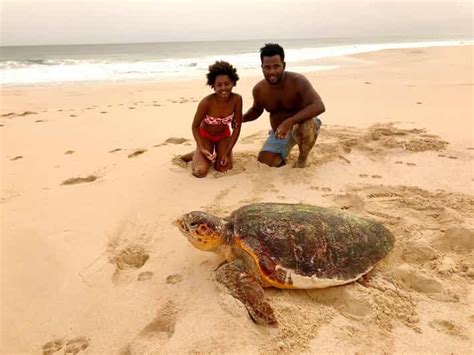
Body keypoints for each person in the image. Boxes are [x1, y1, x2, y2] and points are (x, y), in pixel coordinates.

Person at [243, 43, 325, 168]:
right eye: (267, 67)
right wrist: (241, 118)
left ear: (284, 65)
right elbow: (256, 110)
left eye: (276, 66)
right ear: (262, 67)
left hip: (303, 126)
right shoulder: (259, 89)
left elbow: (319, 105)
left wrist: (290, 121)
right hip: (279, 133)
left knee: (306, 126)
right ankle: (282, 150)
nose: (272, 71)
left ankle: (302, 159)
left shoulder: (298, 81)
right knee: (266, 162)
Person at [189, 61, 242, 178]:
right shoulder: (206, 103)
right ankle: (197, 153)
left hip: (223, 136)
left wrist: (227, 152)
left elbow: (237, 128)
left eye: (227, 83)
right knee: (200, 172)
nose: (223, 88)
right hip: (205, 137)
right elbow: (194, 126)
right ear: (213, 85)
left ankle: (215, 152)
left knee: (223, 168)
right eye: (219, 85)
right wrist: (202, 148)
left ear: (233, 82)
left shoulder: (237, 100)